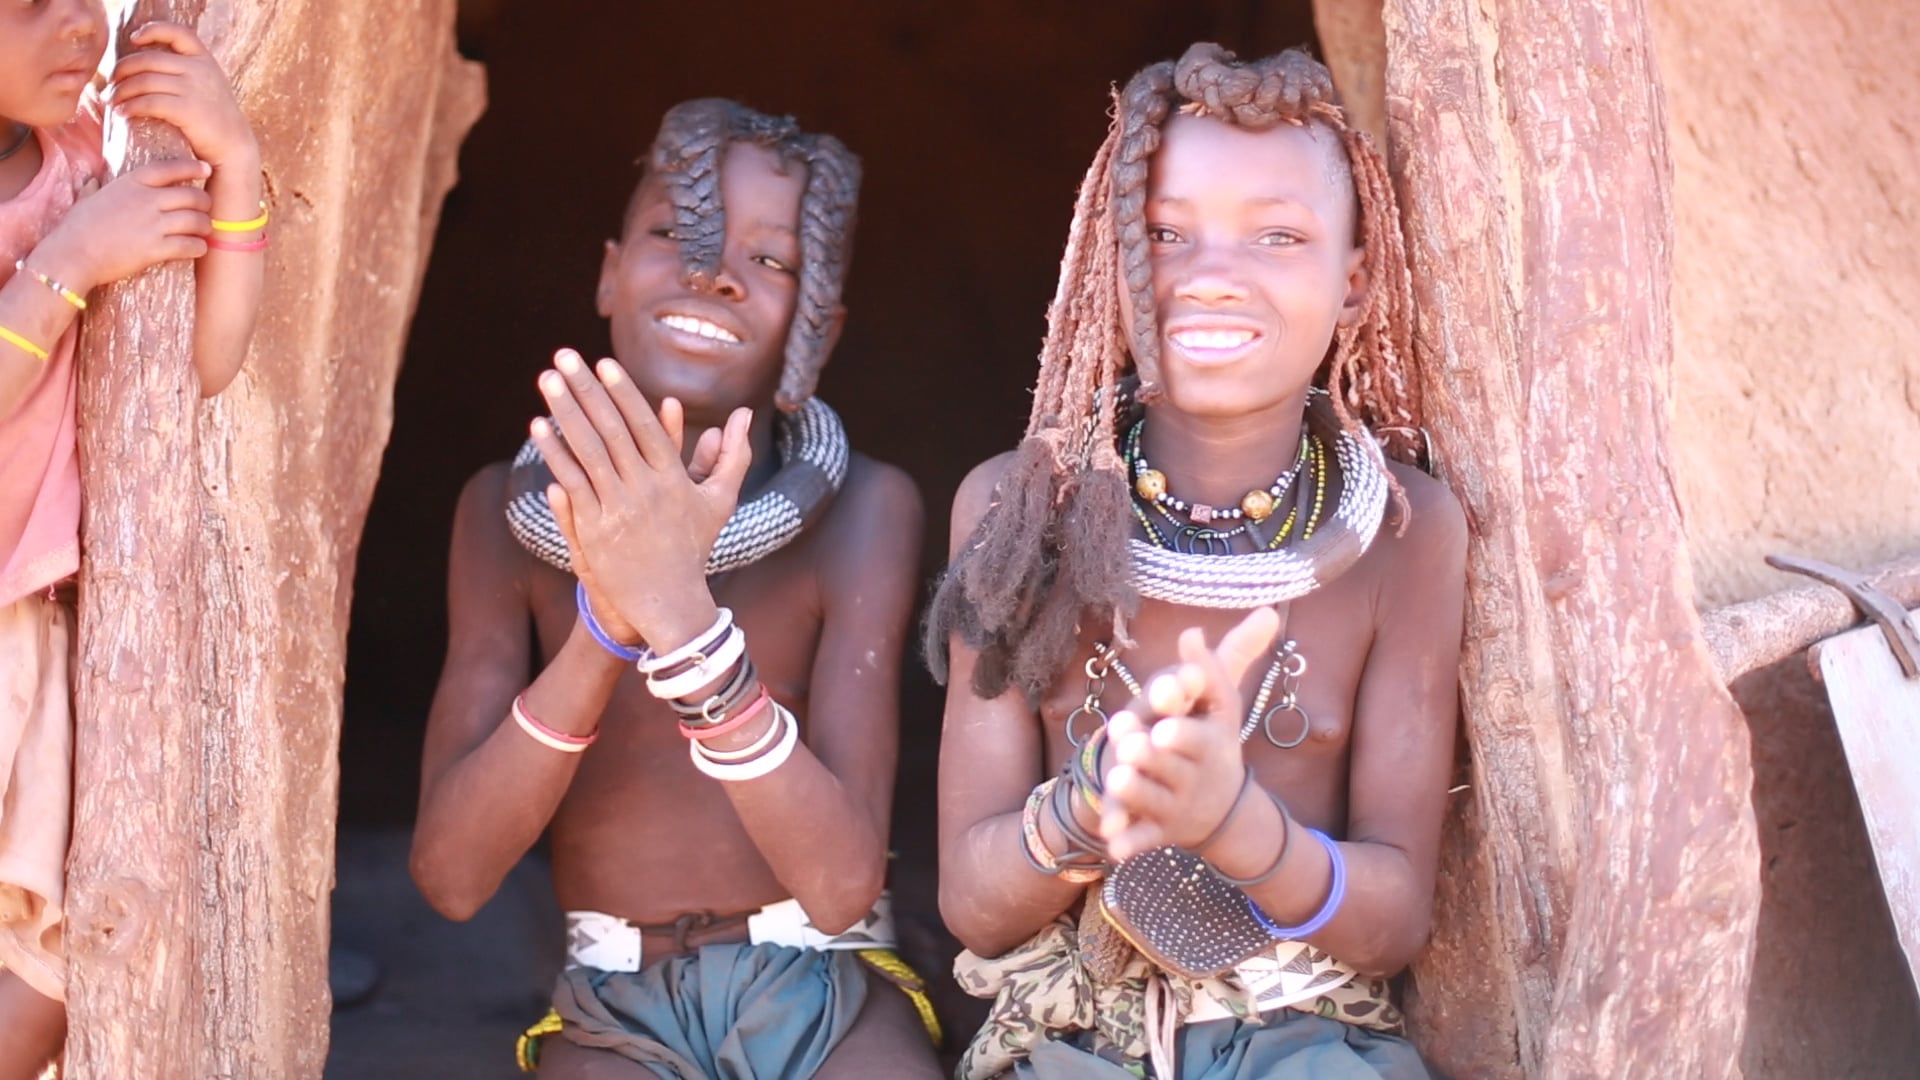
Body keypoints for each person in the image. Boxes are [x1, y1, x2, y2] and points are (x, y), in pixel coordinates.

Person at [926, 44, 1466, 1079]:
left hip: (1310, 1039)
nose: (1215, 275)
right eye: (1167, 234)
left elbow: (1394, 920)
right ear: (1106, 260)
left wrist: (1239, 829)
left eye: (1278, 235)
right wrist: (1091, 805)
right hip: (1067, 1037)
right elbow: (971, 905)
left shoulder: (1407, 535)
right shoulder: (1016, 509)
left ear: (1354, 284)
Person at [411, 99, 940, 1078]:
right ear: (609, 272)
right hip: (611, 1001)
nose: (713, 272)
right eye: (672, 234)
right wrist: (610, 614)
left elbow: (838, 886)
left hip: (825, 978)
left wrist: (679, 616)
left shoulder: (868, 509)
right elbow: (451, 875)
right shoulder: (499, 515)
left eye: (772, 260)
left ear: (817, 320)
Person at [0, 3, 264, 1075]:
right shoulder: (75, 218)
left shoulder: (82, 163)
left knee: (41, 986)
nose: (78, 26)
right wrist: (62, 267)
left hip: (37, 628)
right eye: (29, 3)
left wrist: (232, 163)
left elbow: (191, 367)